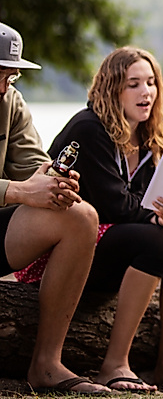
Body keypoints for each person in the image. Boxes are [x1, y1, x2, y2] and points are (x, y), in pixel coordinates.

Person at [48, 47, 163, 391]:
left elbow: (147, 201)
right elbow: (113, 205)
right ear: (112, 88)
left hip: (117, 242)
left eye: (151, 83)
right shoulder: (89, 128)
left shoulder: (152, 134)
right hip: (70, 249)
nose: (146, 92)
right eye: (133, 84)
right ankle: (114, 364)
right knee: (156, 238)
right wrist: (156, 217)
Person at [0, 22, 110, 395]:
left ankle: (46, 364)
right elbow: (19, 186)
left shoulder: (10, 101)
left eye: (11, 77)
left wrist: (53, 183)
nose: (4, 86)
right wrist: (18, 190)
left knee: (82, 217)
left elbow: (32, 165)